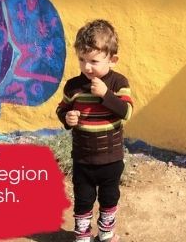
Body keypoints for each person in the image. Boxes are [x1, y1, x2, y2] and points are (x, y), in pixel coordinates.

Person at [56, 20, 133, 242]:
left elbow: (125, 112)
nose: (87, 67)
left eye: (94, 61)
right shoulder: (73, 86)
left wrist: (105, 94)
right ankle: (83, 235)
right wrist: (67, 118)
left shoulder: (118, 83)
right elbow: (62, 109)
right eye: (82, 60)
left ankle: (106, 234)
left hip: (110, 158)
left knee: (109, 198)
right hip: (83, 158)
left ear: (112, 59)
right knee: (83, 199)